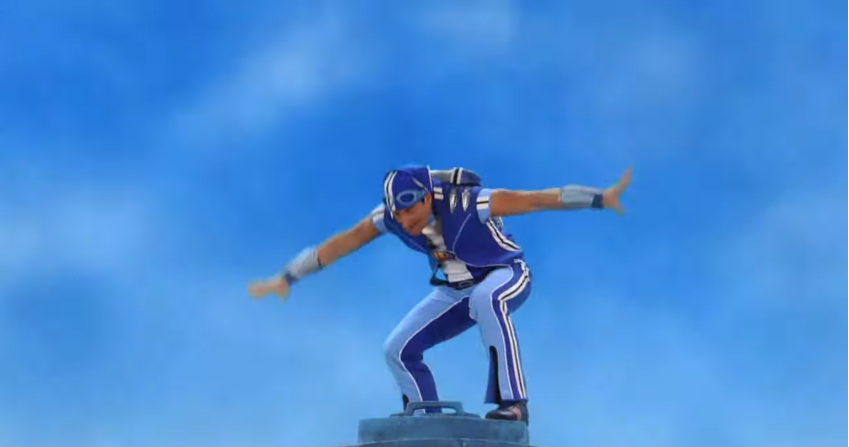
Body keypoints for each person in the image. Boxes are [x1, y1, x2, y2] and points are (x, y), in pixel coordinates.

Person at [248, 165, 632, 424]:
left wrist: (601, 197)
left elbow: (536, 199)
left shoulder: (471, 201)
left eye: (410, 210)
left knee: (486, 299)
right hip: (456, 290)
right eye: (398, 214)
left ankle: (514, 403)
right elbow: (340, 244)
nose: (405, 222)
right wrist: (287, 277)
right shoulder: (390, 219)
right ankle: (425, 421)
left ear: (428, 197)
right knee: (397, 349)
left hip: (504, 274)